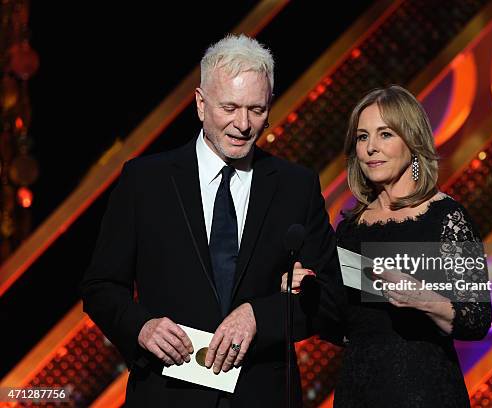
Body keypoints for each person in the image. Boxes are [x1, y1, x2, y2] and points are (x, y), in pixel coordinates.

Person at [80, 34, 342, 408]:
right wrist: (141, 327)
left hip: (261, 396)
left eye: (256, 109)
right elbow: (100, 285)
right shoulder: (144, 181)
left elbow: (330, 298)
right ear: (201, 104)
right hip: (168, 395)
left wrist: (259, 316)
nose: (243, 124)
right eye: (230, 107)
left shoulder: (296, 187)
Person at [283, 85, 492, 407]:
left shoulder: (446, 217)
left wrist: (424, 299)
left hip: (425, 390)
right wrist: (306, 289)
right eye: (362, 137)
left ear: (413, 141)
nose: (371, 148)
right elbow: (340, 324)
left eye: (385, 135)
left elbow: (477, 318)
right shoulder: (350, 228)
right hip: (359, 390)